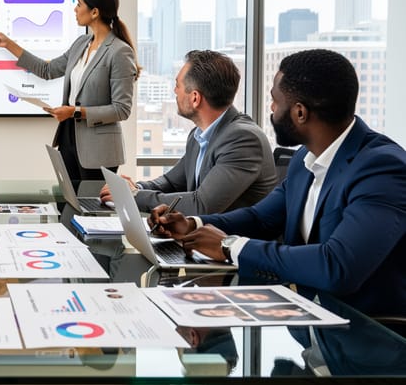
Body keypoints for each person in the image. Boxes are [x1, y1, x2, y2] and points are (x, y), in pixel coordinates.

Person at [151, 49, 406, 320]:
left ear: (300, 113)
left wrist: (229, 246)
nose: (271, 108)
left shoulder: (382, 169)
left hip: (372, 339)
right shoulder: (304, 160)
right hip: (308, 323)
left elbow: (338, 266)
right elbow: (260, 219)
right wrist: (193, 224)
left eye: (275, 100)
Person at [0, 0, 139, 181]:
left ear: (94, 12)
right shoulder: (81, 44)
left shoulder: (119, 51)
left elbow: (121, 109)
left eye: (79, 4)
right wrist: (7, 44)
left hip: (98, 149)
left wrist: (75, 111)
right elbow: (47, 70)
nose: (75, 9)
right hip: (69, 138)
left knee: (92, 208)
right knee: (71, 203)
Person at [99, 50, 276, 215]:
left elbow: (201, 205)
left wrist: (134, 196)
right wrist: (135, 187)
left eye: (178, 86)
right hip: (201, 238)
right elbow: (171, 182)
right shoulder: (199, 134)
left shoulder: (243, 139)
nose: (175, 91)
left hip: (231, 243)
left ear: (195, 98)